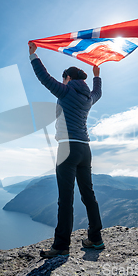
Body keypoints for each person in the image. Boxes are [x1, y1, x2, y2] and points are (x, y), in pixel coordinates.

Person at [28, 41, 104, 258]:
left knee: (65, 199)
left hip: (67, 149)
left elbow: (44, 78)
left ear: (68, 79)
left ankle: (61, 246)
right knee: (88, 194)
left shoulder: (65, 91)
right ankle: (96, 239)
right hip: (84, 149)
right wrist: (97, 75)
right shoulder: (88, 98)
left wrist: (33, 56)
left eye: (64, 79)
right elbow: (98, 92)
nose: (62, 82)